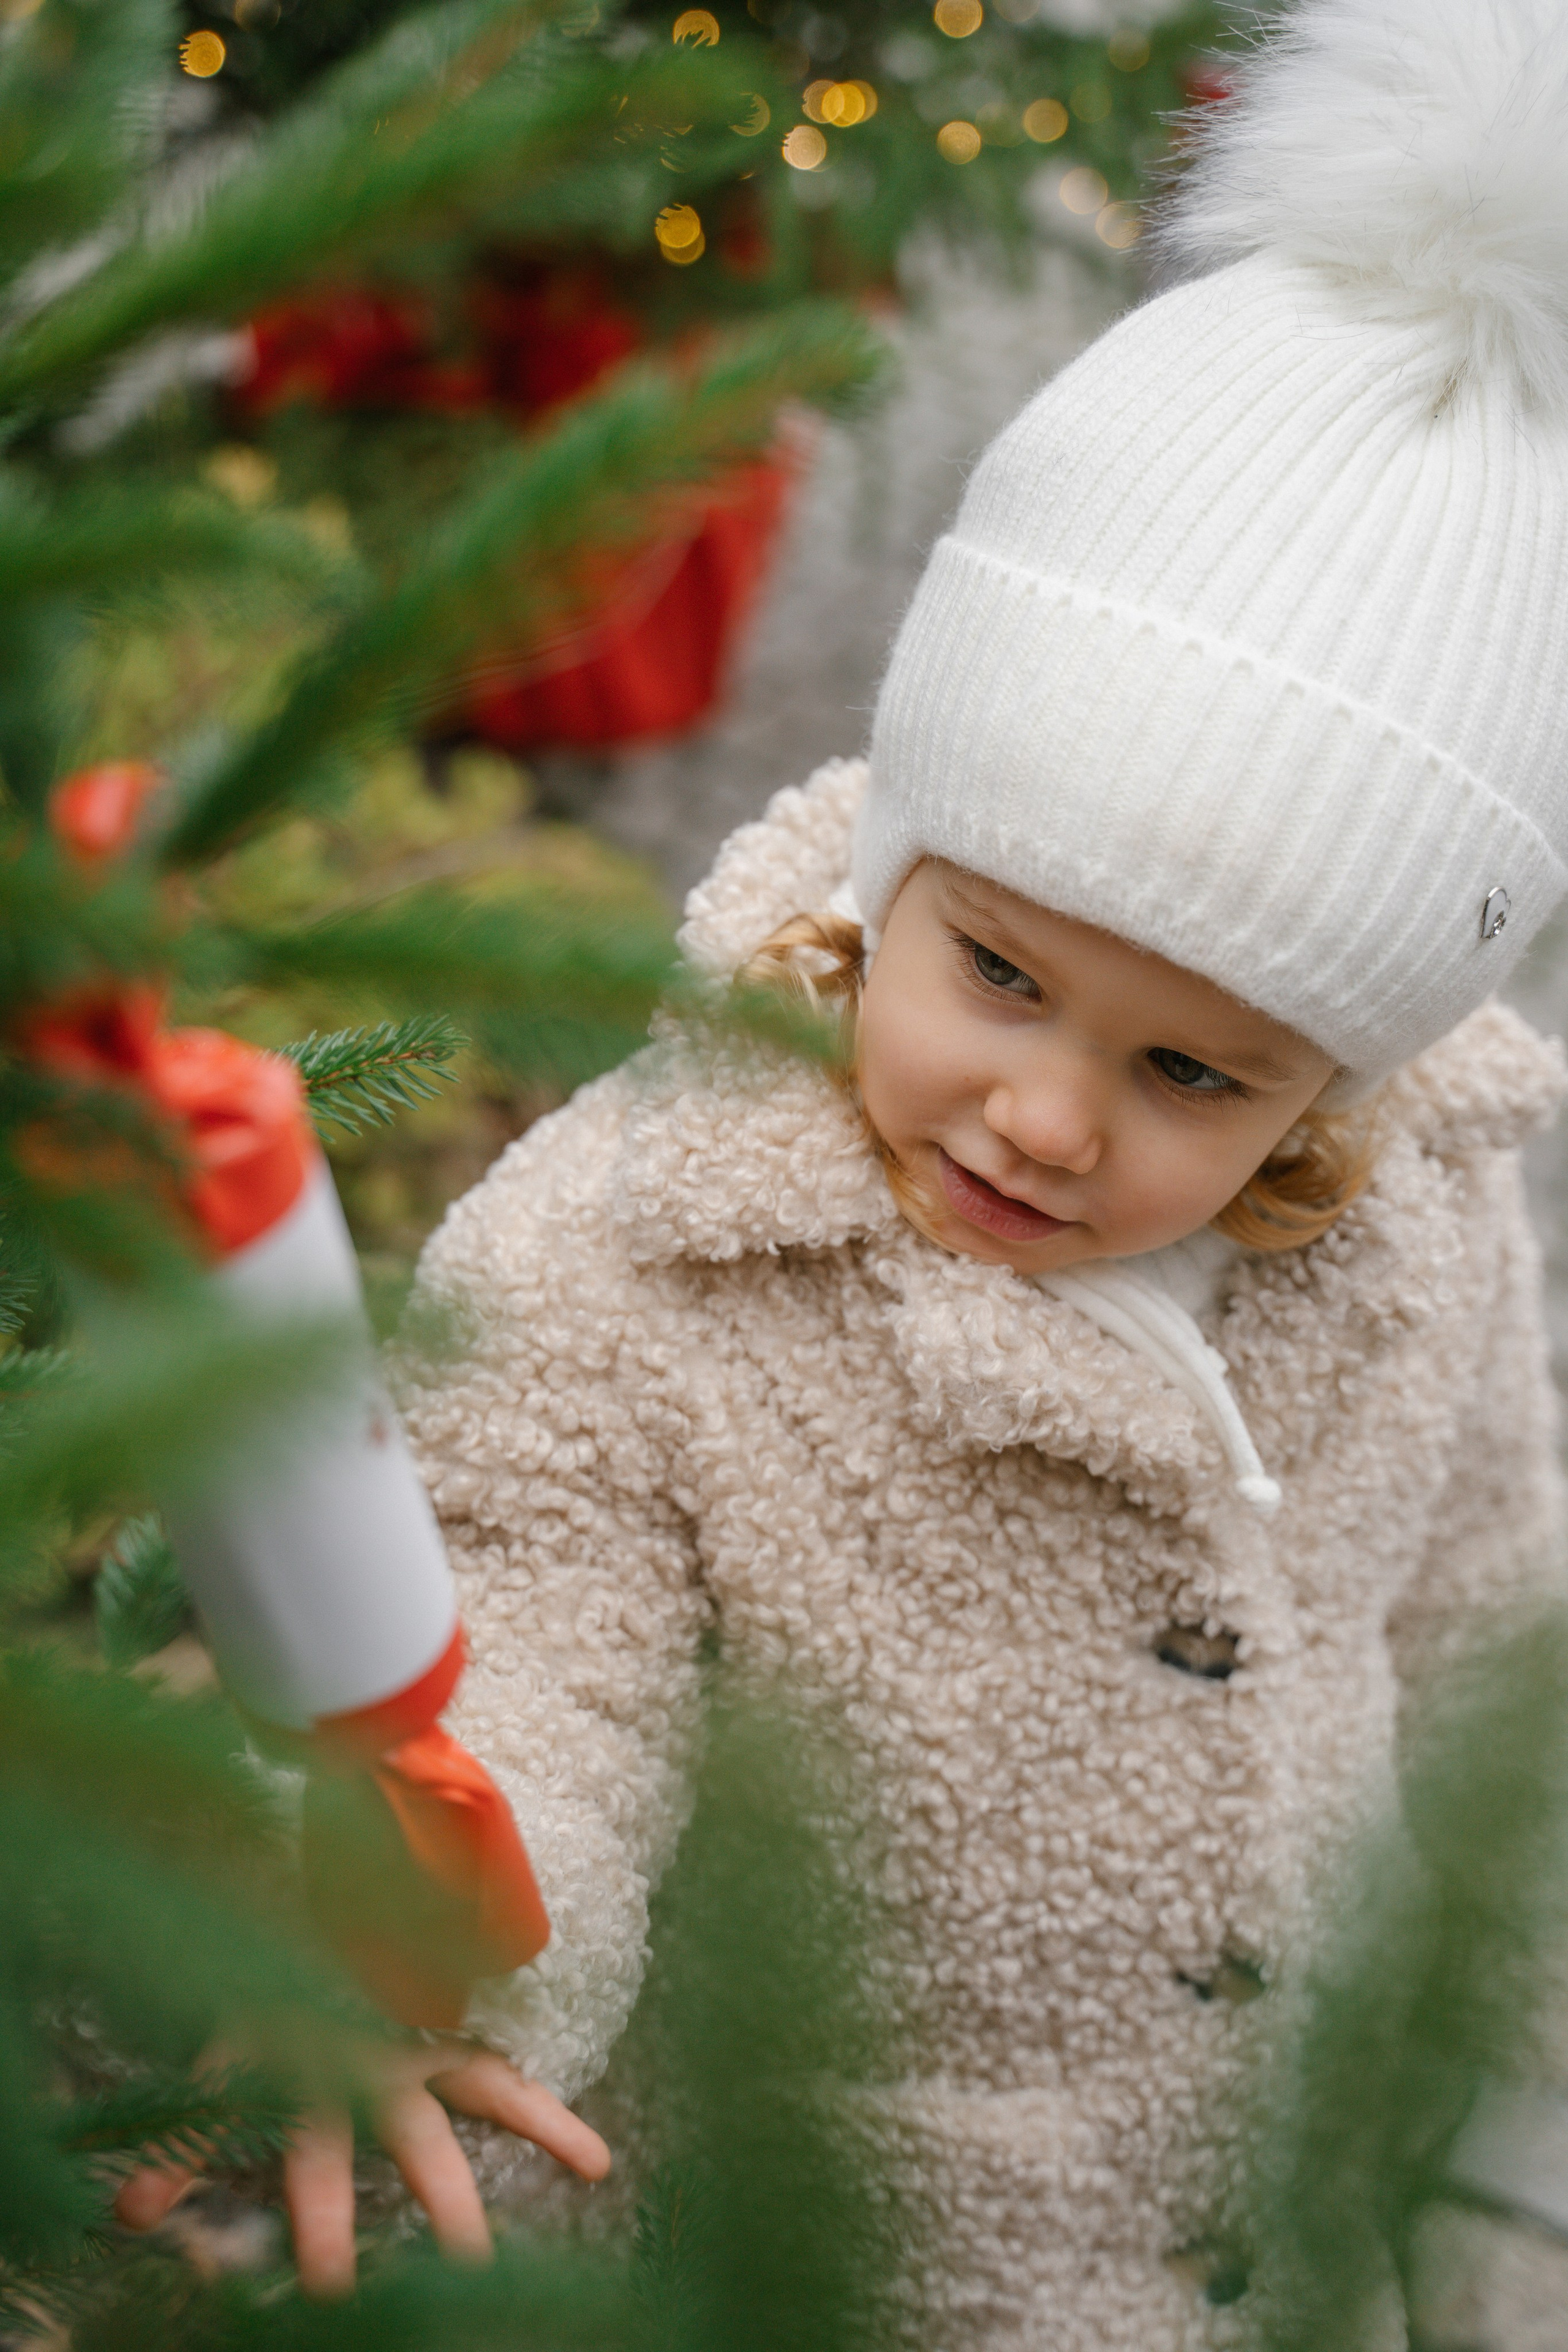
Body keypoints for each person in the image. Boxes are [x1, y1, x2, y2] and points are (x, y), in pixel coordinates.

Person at [401, 0, 1568, 2340]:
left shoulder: (1425, 1199)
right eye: (1001, 979)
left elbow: (1481, 1622)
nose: (1049, 1119)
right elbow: (538, 1652)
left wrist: (1487, 2108)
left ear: (1336, 1076)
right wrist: (447, 1969)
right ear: (901, 859)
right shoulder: (648, 1260)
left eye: (1198, 1076)